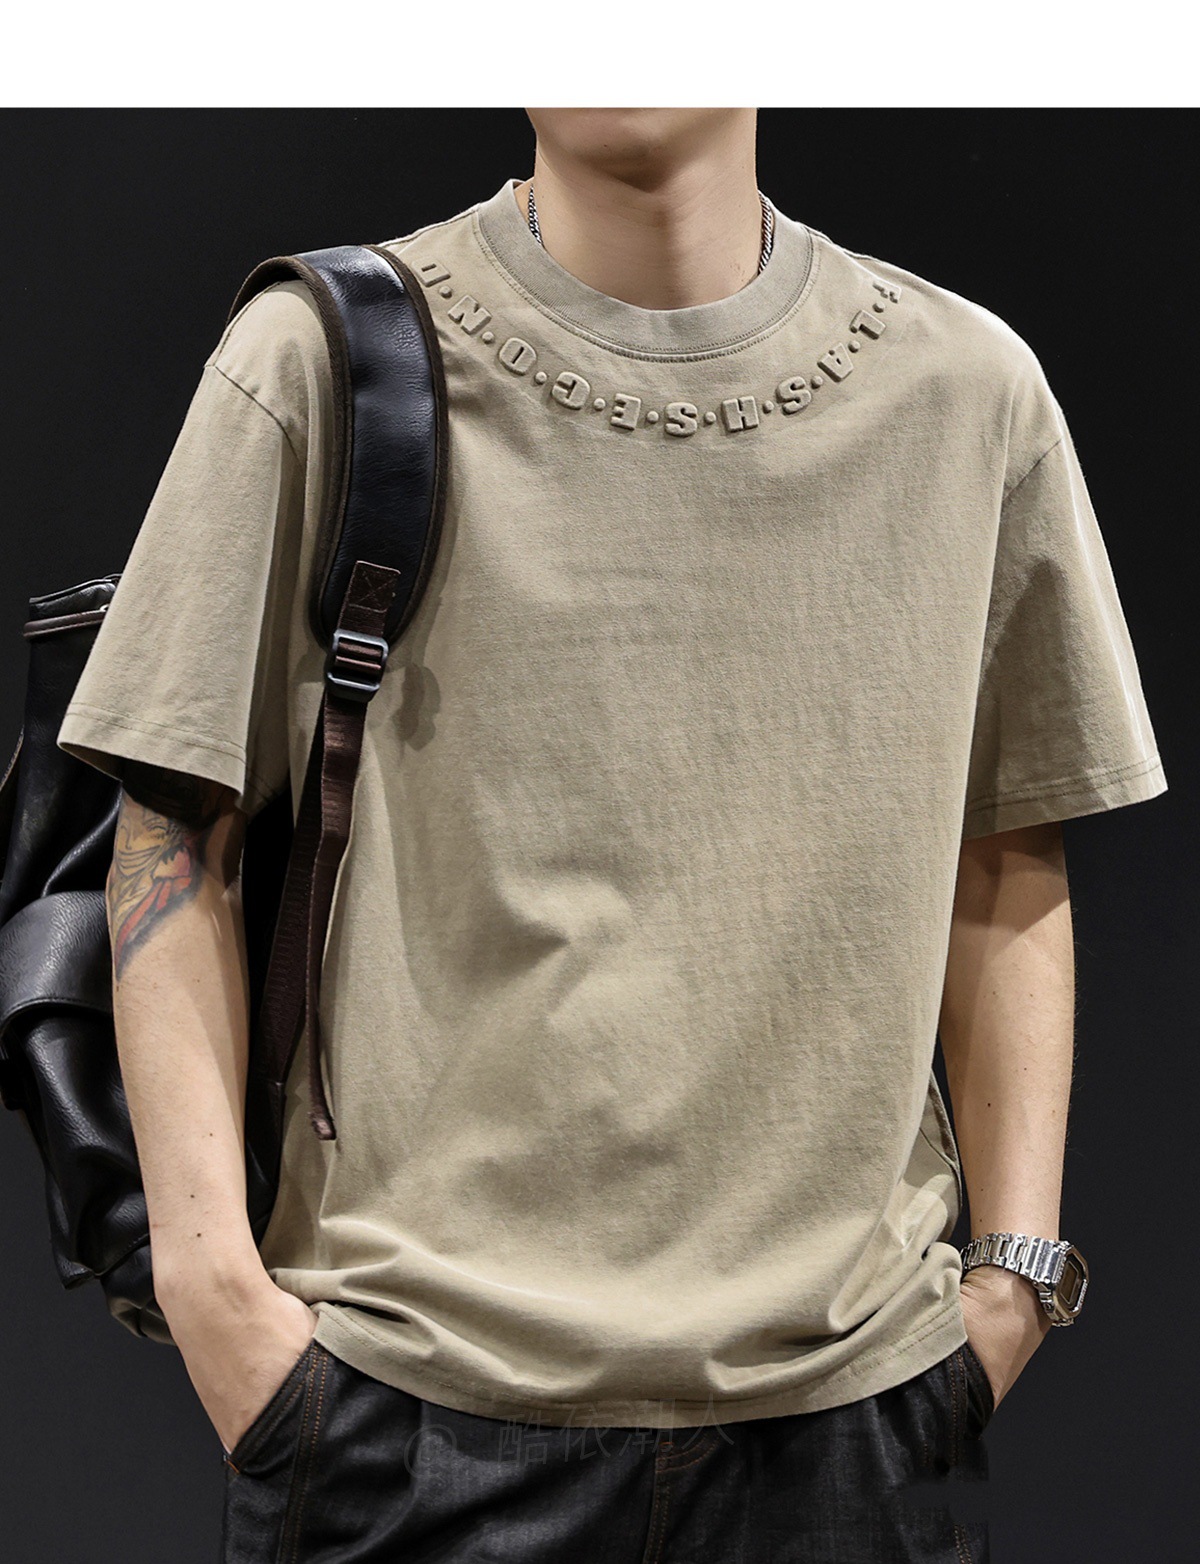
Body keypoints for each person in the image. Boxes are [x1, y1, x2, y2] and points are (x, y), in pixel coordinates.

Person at [58, 107, 1166, 1563]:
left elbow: (1006, 857)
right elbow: (170, 838)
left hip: (855, 1415)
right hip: (409, 1413)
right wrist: (217, 1300)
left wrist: (1011, 1284)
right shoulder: (320, 361)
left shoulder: (968, 395)